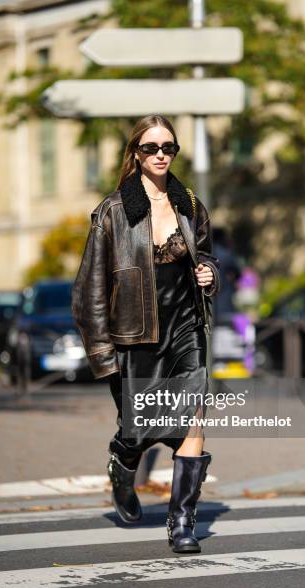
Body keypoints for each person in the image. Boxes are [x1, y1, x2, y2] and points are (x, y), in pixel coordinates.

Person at [72, 114, 220, 554]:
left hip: (185, 328)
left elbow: (208, 254)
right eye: (151, 147)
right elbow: (89, 289)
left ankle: (181, 524)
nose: (160, 155)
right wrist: (101, 353)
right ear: (135, 152)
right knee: (138, 430)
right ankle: (124, 459)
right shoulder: (113, 211)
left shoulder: (189, 204)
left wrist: (210, 272)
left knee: (192, 421)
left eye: (168, 148)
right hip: (134, 339)